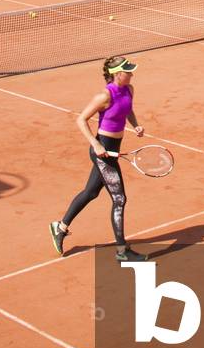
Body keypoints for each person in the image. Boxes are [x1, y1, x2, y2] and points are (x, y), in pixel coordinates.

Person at [49, 56, 148, 262]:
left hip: (113, 150)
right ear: (116, 74)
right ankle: (122, 251)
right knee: (119, 199)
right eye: (128, 71)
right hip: (102, 151)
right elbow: (81, 119)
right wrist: (96, 145)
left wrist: (135, 125)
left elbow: (127, 110)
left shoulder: (129, 89)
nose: (131, 74)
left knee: (91, 192)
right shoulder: (104, 96)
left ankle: (60, 226)